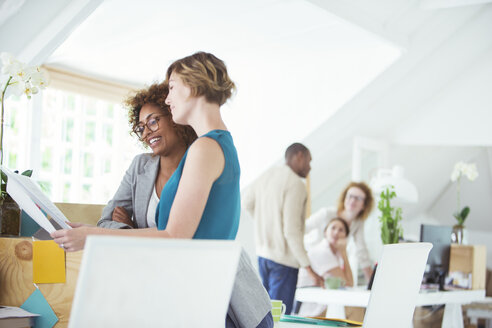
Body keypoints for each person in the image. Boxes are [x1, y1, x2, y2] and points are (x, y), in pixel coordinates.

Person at [51, 52, 273, 328]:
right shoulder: (216, 145)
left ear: (192, 87)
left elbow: (174, 236)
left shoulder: (205, 148)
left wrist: (92, 237)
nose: (168, 99)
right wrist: (91, 231)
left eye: (171, 88)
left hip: (203, 301)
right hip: (200, 295)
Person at [97, 82, 196, 230]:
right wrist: (129, 232)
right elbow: (105, 222)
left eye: (152, 121)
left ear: (174, 116)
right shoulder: (140, 165)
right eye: (141, 128)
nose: (146, 133)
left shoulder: (198, 166)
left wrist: (135, 232)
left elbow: (184, 234)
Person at [242, 143, 324, 315]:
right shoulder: (296, 184)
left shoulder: (266, 175)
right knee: (279, 318)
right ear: (299, 155)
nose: (310, 167)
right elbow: (291, 231)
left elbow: (247, 203)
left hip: (263, 257)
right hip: (284, 263)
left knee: (265, 315)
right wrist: (308, 268)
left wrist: (268, 225)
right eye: (309, 161)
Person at [305, 181, 375, 281]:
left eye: (358, 198)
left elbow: (362, 251)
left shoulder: (358, 223)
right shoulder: (326, 213)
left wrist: (371, 282)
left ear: (364, 205)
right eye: (350, 196)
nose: (352, 201)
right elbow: (301, 229)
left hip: (328, 265)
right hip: (313, 262)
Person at [297, 217, 353, 317]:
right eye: (333, 228)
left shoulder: (335, 254)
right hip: (309, 309)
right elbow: (348, 282)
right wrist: (344, 253)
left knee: (351, 309)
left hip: (321, 303)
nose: (336, 232)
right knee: (353, 309)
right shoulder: (322, 252)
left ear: (346, 236)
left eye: (341, 230)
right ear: (325, 232)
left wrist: (343, 253)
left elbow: (348, 283)